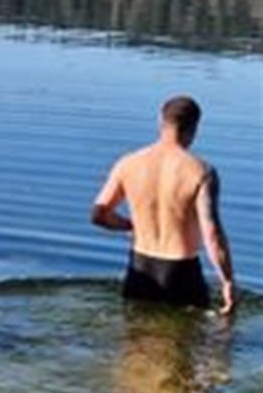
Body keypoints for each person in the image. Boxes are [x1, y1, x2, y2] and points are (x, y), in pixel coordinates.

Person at [92, 95, 236, 313]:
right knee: (183, 342)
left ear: (160, 121)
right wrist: (228, 281)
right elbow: (212, 234)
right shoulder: (201, 172)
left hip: (140, 269)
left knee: (135, 342)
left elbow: (99, 214)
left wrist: (131, 226)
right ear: (194, 127)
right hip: (181, 272)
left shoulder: (128, 164)